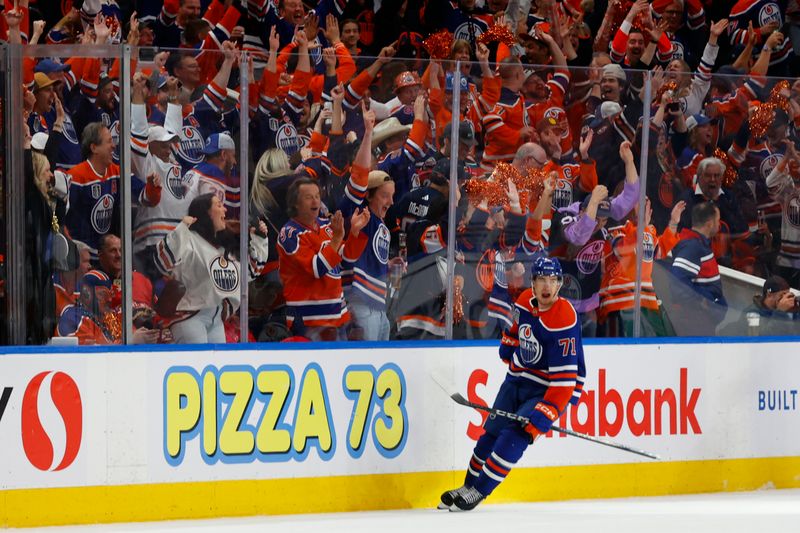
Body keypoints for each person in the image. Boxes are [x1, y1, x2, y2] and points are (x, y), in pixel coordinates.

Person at [440, 256, 585, 511]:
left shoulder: (564, 318)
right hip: (516, 379)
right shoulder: (524, 300)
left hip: (544, 389)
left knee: (513, 436)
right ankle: (468, 485)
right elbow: (518, 327)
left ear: (560, 284)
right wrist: (509, 342)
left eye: (552, 280)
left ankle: (479, 492)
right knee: (490, 434)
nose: (546, 286)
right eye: (541, 279)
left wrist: (547, 411)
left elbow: (564, 380)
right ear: (533, 281)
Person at [155, 193, 269, 344]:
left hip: (216, 319)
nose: (225, 210)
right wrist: (181, 229)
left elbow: (250, 272)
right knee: (196, 365)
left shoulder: (224, 248)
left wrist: (259, 240)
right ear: (206, 212)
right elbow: (163, 262)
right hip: (189, 317)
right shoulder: (189, 239)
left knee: (215, 367)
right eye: (219, 205)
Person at [668, 201, 728, 335]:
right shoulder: (693, 247)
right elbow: (677, 284)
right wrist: (703, 299)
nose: (719, 224)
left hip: (699, 321)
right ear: (709, 224)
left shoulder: (697, 244)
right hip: (693, 323)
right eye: (718, 220)